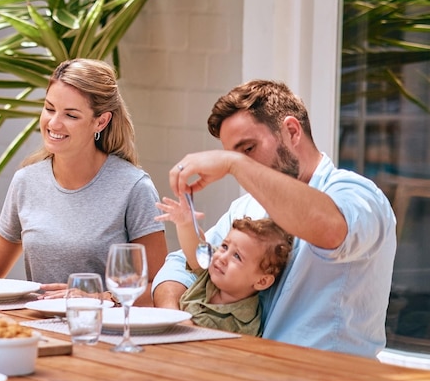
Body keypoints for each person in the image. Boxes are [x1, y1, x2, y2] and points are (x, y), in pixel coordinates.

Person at [152, 79, 397, 358]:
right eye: (232, 155)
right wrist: (175, 319)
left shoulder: (358, 194)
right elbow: (185, 265)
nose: (239, 169)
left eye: (248, 149)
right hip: (252, 374)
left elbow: (330, 231)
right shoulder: (248, 206)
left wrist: (235, 164)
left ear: (292, 131)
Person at [0, 58, 168, 305]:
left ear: (100, 121)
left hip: (106, 332)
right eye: (49, 108)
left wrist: (99, 298)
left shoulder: (133, 187)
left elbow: (160, 286)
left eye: (71, 115)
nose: (54, 123)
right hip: (42, 327)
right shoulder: (27, 181)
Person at [155, 193, 292, 334]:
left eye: (237, 256)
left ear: (262, 281)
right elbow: (197, 248)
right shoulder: (209, 276)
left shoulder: (245, 326)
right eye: (225, 246)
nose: (222, 257)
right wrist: (185, 224)